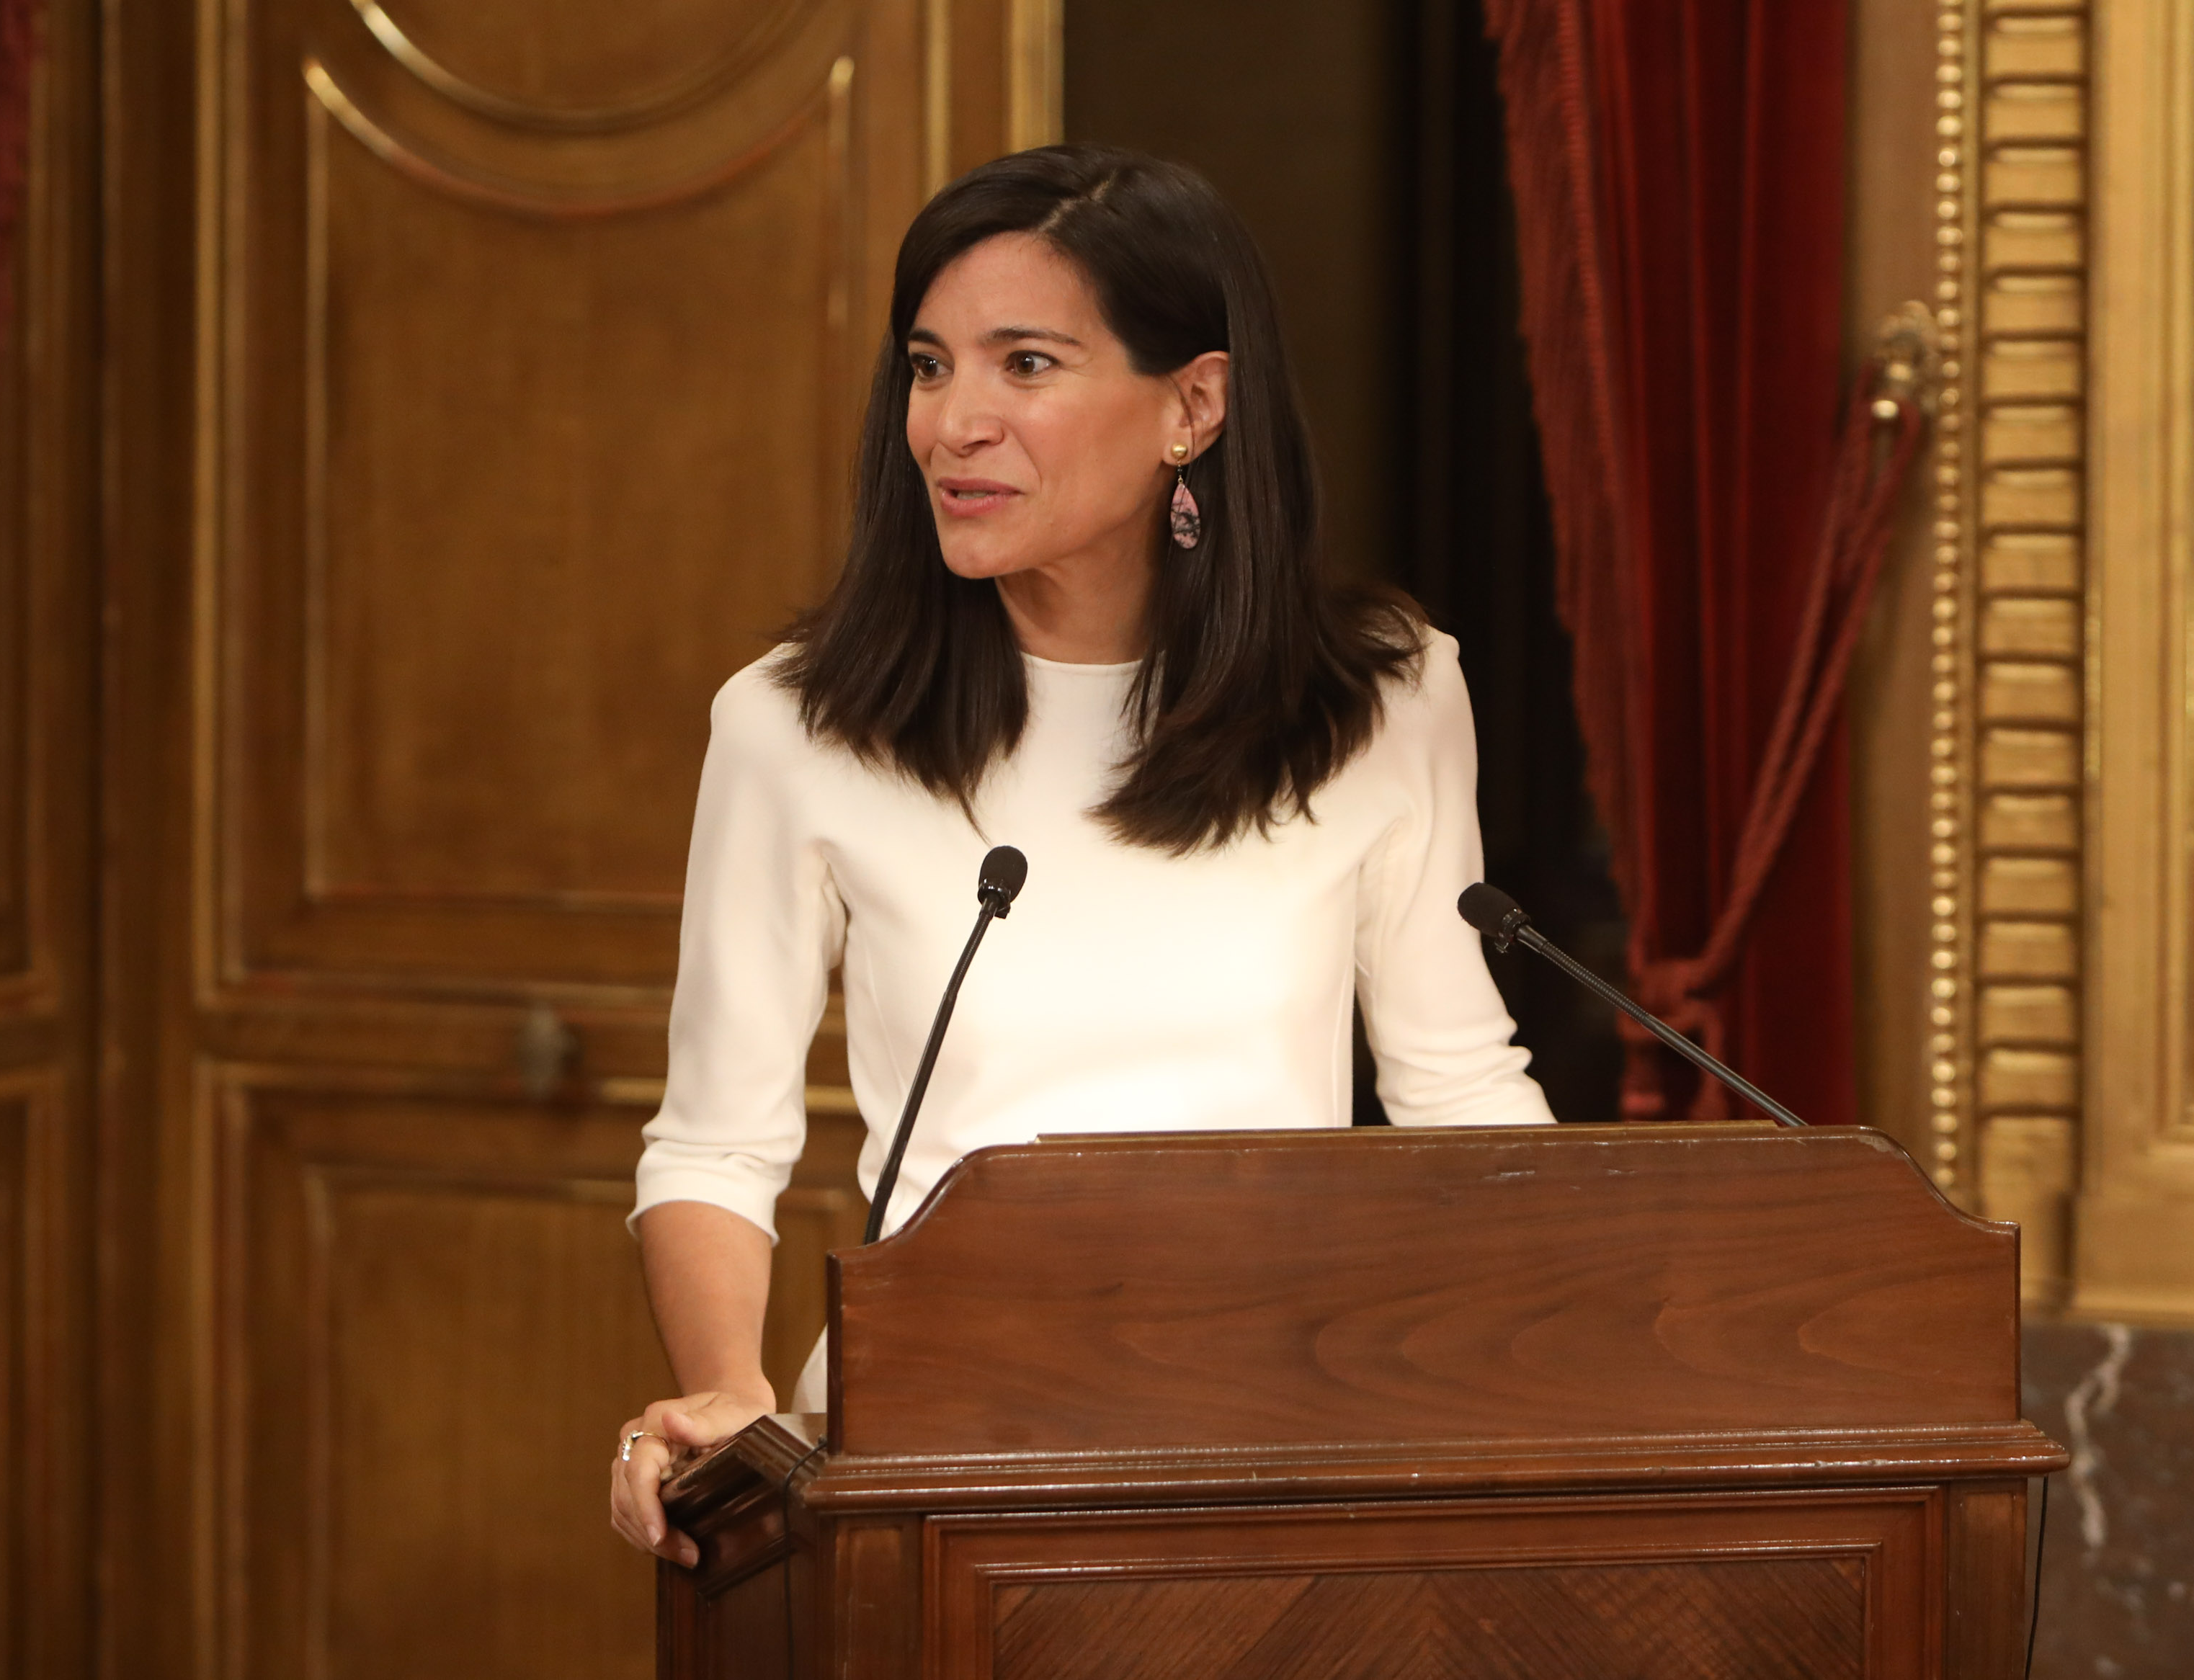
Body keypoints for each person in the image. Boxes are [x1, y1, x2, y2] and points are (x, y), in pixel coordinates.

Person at [607, 144, 1554, 1567]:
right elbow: (715, 1141)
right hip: (926, 1458)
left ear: (1194, 406)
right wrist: (729, 1392)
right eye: (929, 367)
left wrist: (1578, 1352)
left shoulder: (1386, 697)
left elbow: (1458, 1088)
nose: (954, 424)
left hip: (1283, 1443)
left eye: (1026, 364)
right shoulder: (795, 724)